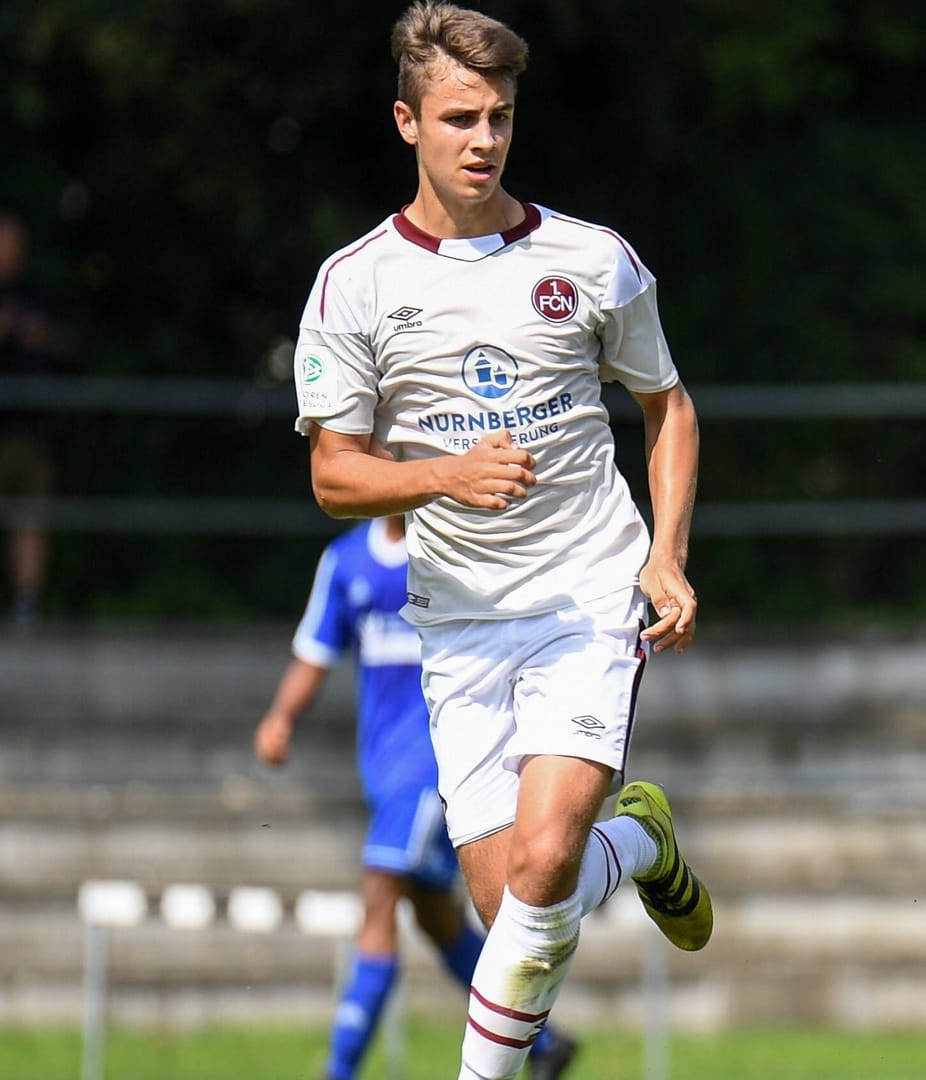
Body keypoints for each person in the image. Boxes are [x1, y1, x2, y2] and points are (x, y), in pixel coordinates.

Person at [292, 6, 710, 1077]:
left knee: (541, 866)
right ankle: (646, 839)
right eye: (460, 118)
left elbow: (666, 407)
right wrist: (442, 473)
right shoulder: (356, 283)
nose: (484, 140)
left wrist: (663, 555)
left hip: (584, 594)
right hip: (458, 626)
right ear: (406, 122)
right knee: (517, 904)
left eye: (502, 118)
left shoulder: (591, 259)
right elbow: (334, 473)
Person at [255, 515, 577, 1080]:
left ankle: (338, 1071)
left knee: (379, 894)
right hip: (384, 775)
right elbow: (316, 649)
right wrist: (281, 718)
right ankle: (544, 1041)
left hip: (436, 767)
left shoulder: (458, 545)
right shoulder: (346, 561)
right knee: (434, 917)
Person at [0, 212, 60, 626]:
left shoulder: (37, 295)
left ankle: (26, 606)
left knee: (30, 519)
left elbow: (62, 343)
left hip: (31, 429)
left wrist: (33, 332)